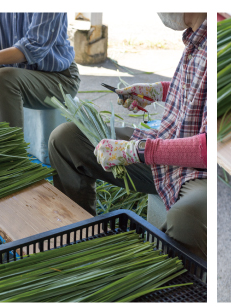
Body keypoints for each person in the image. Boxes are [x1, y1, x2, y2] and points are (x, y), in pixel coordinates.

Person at [48, 13, 208, 260]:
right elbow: (193, 90)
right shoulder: (195, 38)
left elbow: (207, 148)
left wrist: (135, 151)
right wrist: (155, 91)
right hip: (165, 140)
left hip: (196, 169)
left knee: (186, 218)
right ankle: (80, 241)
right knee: (66, 138)